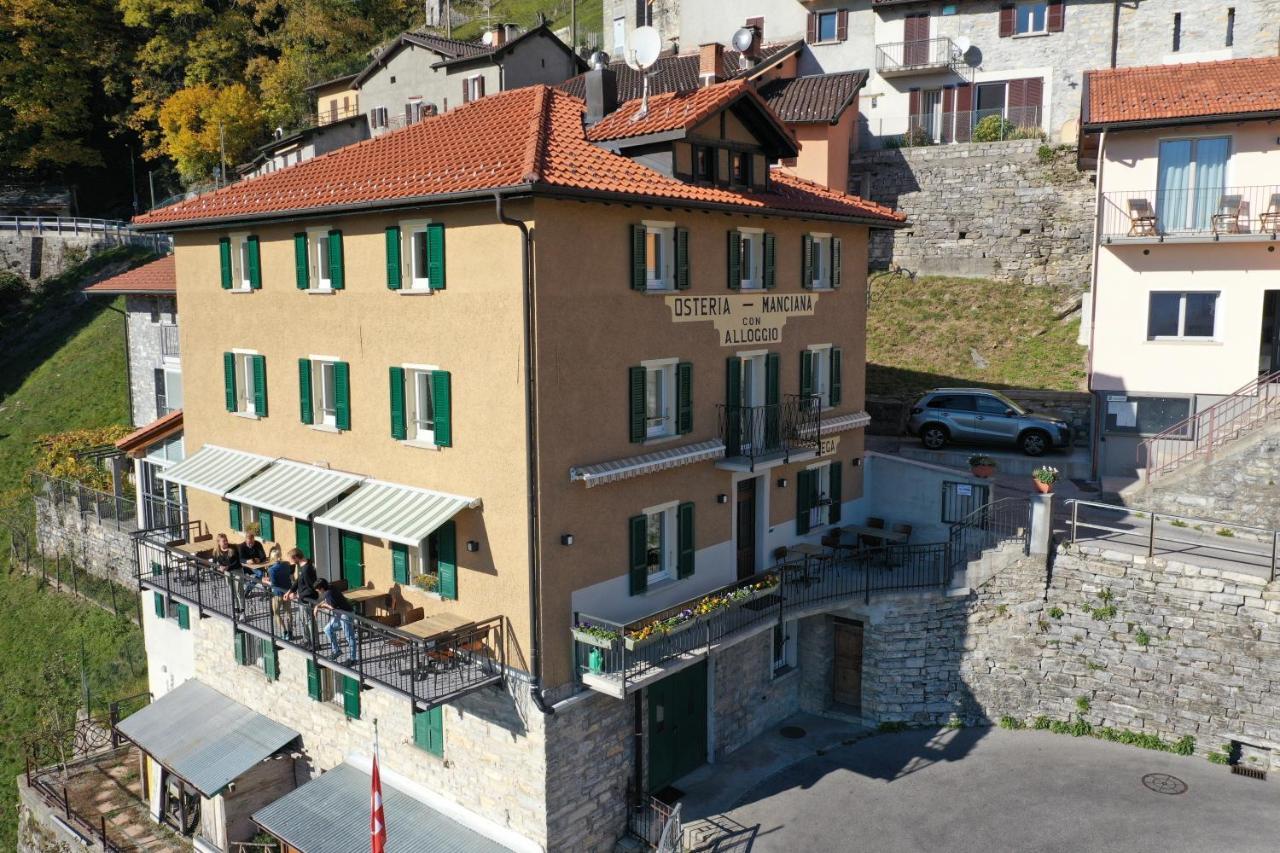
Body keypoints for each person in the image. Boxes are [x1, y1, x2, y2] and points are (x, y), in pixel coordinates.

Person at [314, 578, 358, 665]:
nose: (318, 592)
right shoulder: (330, 588)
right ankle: (336, 651)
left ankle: (353, 659)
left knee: (349, 636)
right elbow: (325, 601)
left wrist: (320, 606)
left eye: (318, 590)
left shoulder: (328, 593)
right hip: (340, 614)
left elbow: (331, 607)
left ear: (322, 588)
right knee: (327, 629)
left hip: (346, 614)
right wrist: (318, 606)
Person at [264, 545, 294, 638]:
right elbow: (288, 576)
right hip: (287, 591)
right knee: (288, 612)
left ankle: (284, 631)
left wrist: (265, 581)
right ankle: (290, 632)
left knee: (276, 613)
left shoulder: (271, 569)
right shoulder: (286, 564)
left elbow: (273, 584)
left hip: (277, 594)